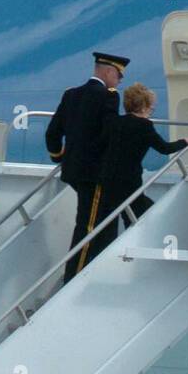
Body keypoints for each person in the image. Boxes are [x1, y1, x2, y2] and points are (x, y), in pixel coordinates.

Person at [46, 50, 129, 282]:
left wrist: (59, 158)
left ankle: (94, 271)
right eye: (119, 76)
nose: (119, 81)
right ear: (109, 71)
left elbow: (53, 133)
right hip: (95, 174)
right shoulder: (109, 96)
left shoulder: (71, 95)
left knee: (100, 221)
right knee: (88, 227)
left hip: (74, 171)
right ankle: (74, 278)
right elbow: (109, 133)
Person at [95, 83, 188, 251]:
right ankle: (134, 253)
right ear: (144, 107)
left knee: (111, 222)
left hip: (107, 179)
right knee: (141, 216)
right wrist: (186, 141)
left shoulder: (115, 122)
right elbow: (164, 148)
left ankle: (109, 254)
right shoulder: (144, 126)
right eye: (151, 108)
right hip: (129, 181)